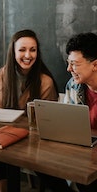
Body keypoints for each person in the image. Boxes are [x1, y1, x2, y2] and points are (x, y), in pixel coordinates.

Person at [0, 29, 59, 192]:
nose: (28, 55)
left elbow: (48, 122)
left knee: (2, 152)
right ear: (13, 52)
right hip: (4, 137)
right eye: (22, 50)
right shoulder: (3, 74)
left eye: (33, 50)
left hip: (32, 142)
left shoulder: (45, 82)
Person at [64, 32, 97, 192]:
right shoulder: (73, 85)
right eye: (68, 63)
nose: (69, 69)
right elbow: (66, 126)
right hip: (80, 153)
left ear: (95, 65)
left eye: (74, 64)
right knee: (40, 166)